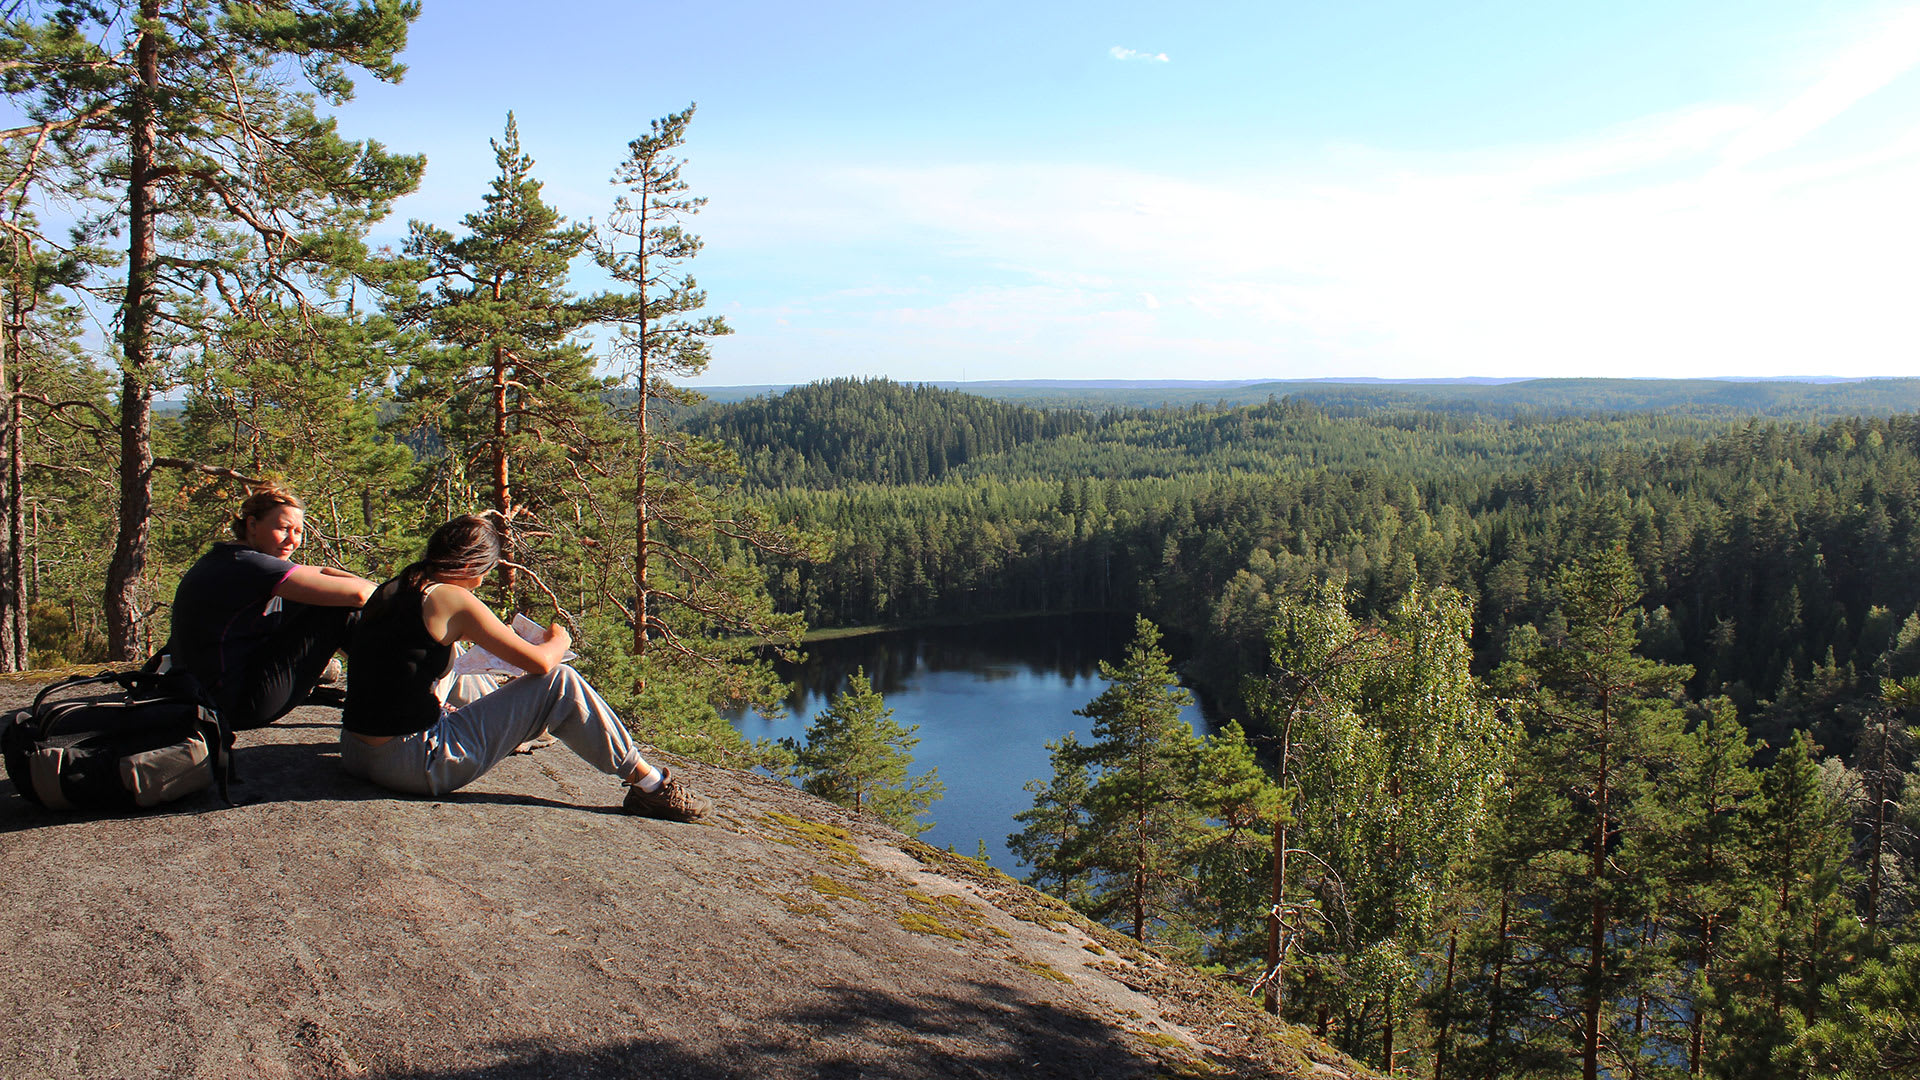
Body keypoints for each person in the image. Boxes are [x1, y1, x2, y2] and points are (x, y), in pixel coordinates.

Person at [340, 514, 710, 822]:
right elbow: (542, 663)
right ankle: (650, 786)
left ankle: (530, 729)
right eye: (486, 569)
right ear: (469, 564)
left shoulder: (397, 586)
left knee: (478, 681)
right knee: (559, 682)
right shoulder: (453, 599)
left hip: (357, 752)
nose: (484, 578)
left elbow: (400, 672)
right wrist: (559, 638)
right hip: (415, 764)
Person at [170, 488, 376, 730]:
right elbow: (359, 595)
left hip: (210, 694)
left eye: (298, 532)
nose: (292, 540)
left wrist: (383, 587)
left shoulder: (230, 557)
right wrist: (400, 594)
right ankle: (392, 696)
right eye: (283, 529)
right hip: (236, 704)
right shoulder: (251, 565)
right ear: (252, 525)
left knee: (313, 597)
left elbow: (321, 572)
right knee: (340, 609)